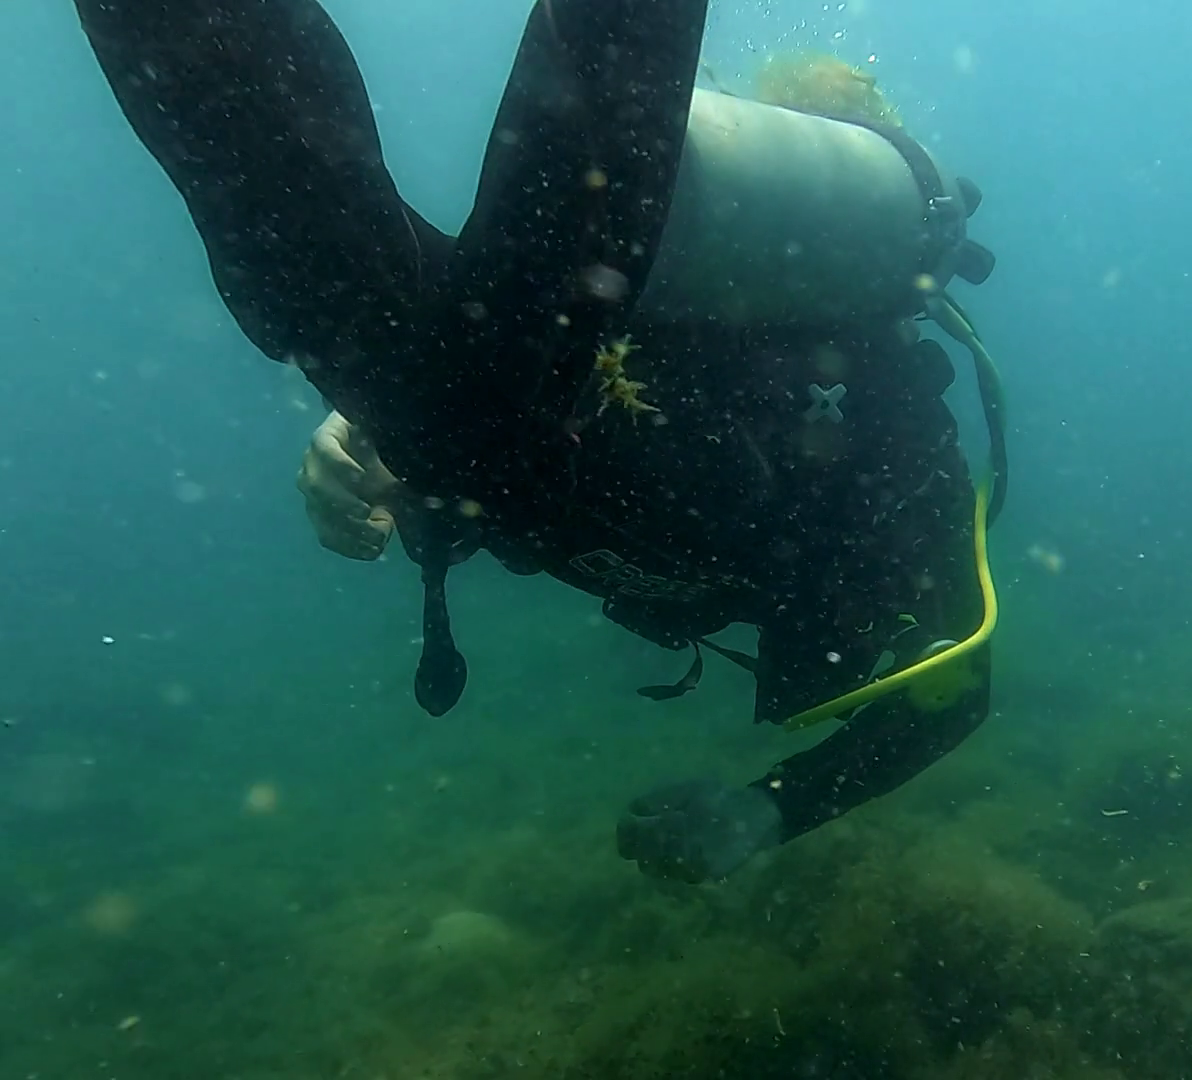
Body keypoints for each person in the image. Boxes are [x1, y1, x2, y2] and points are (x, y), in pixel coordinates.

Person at [73, 0, 1008, 884]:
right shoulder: (871, 411)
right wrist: (361, 434)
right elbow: (956, 691)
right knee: (344, 292)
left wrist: (763, 813)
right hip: (497, 406)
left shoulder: (869, 404)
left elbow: (959, 690)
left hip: (490, 405)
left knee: (333, 278)